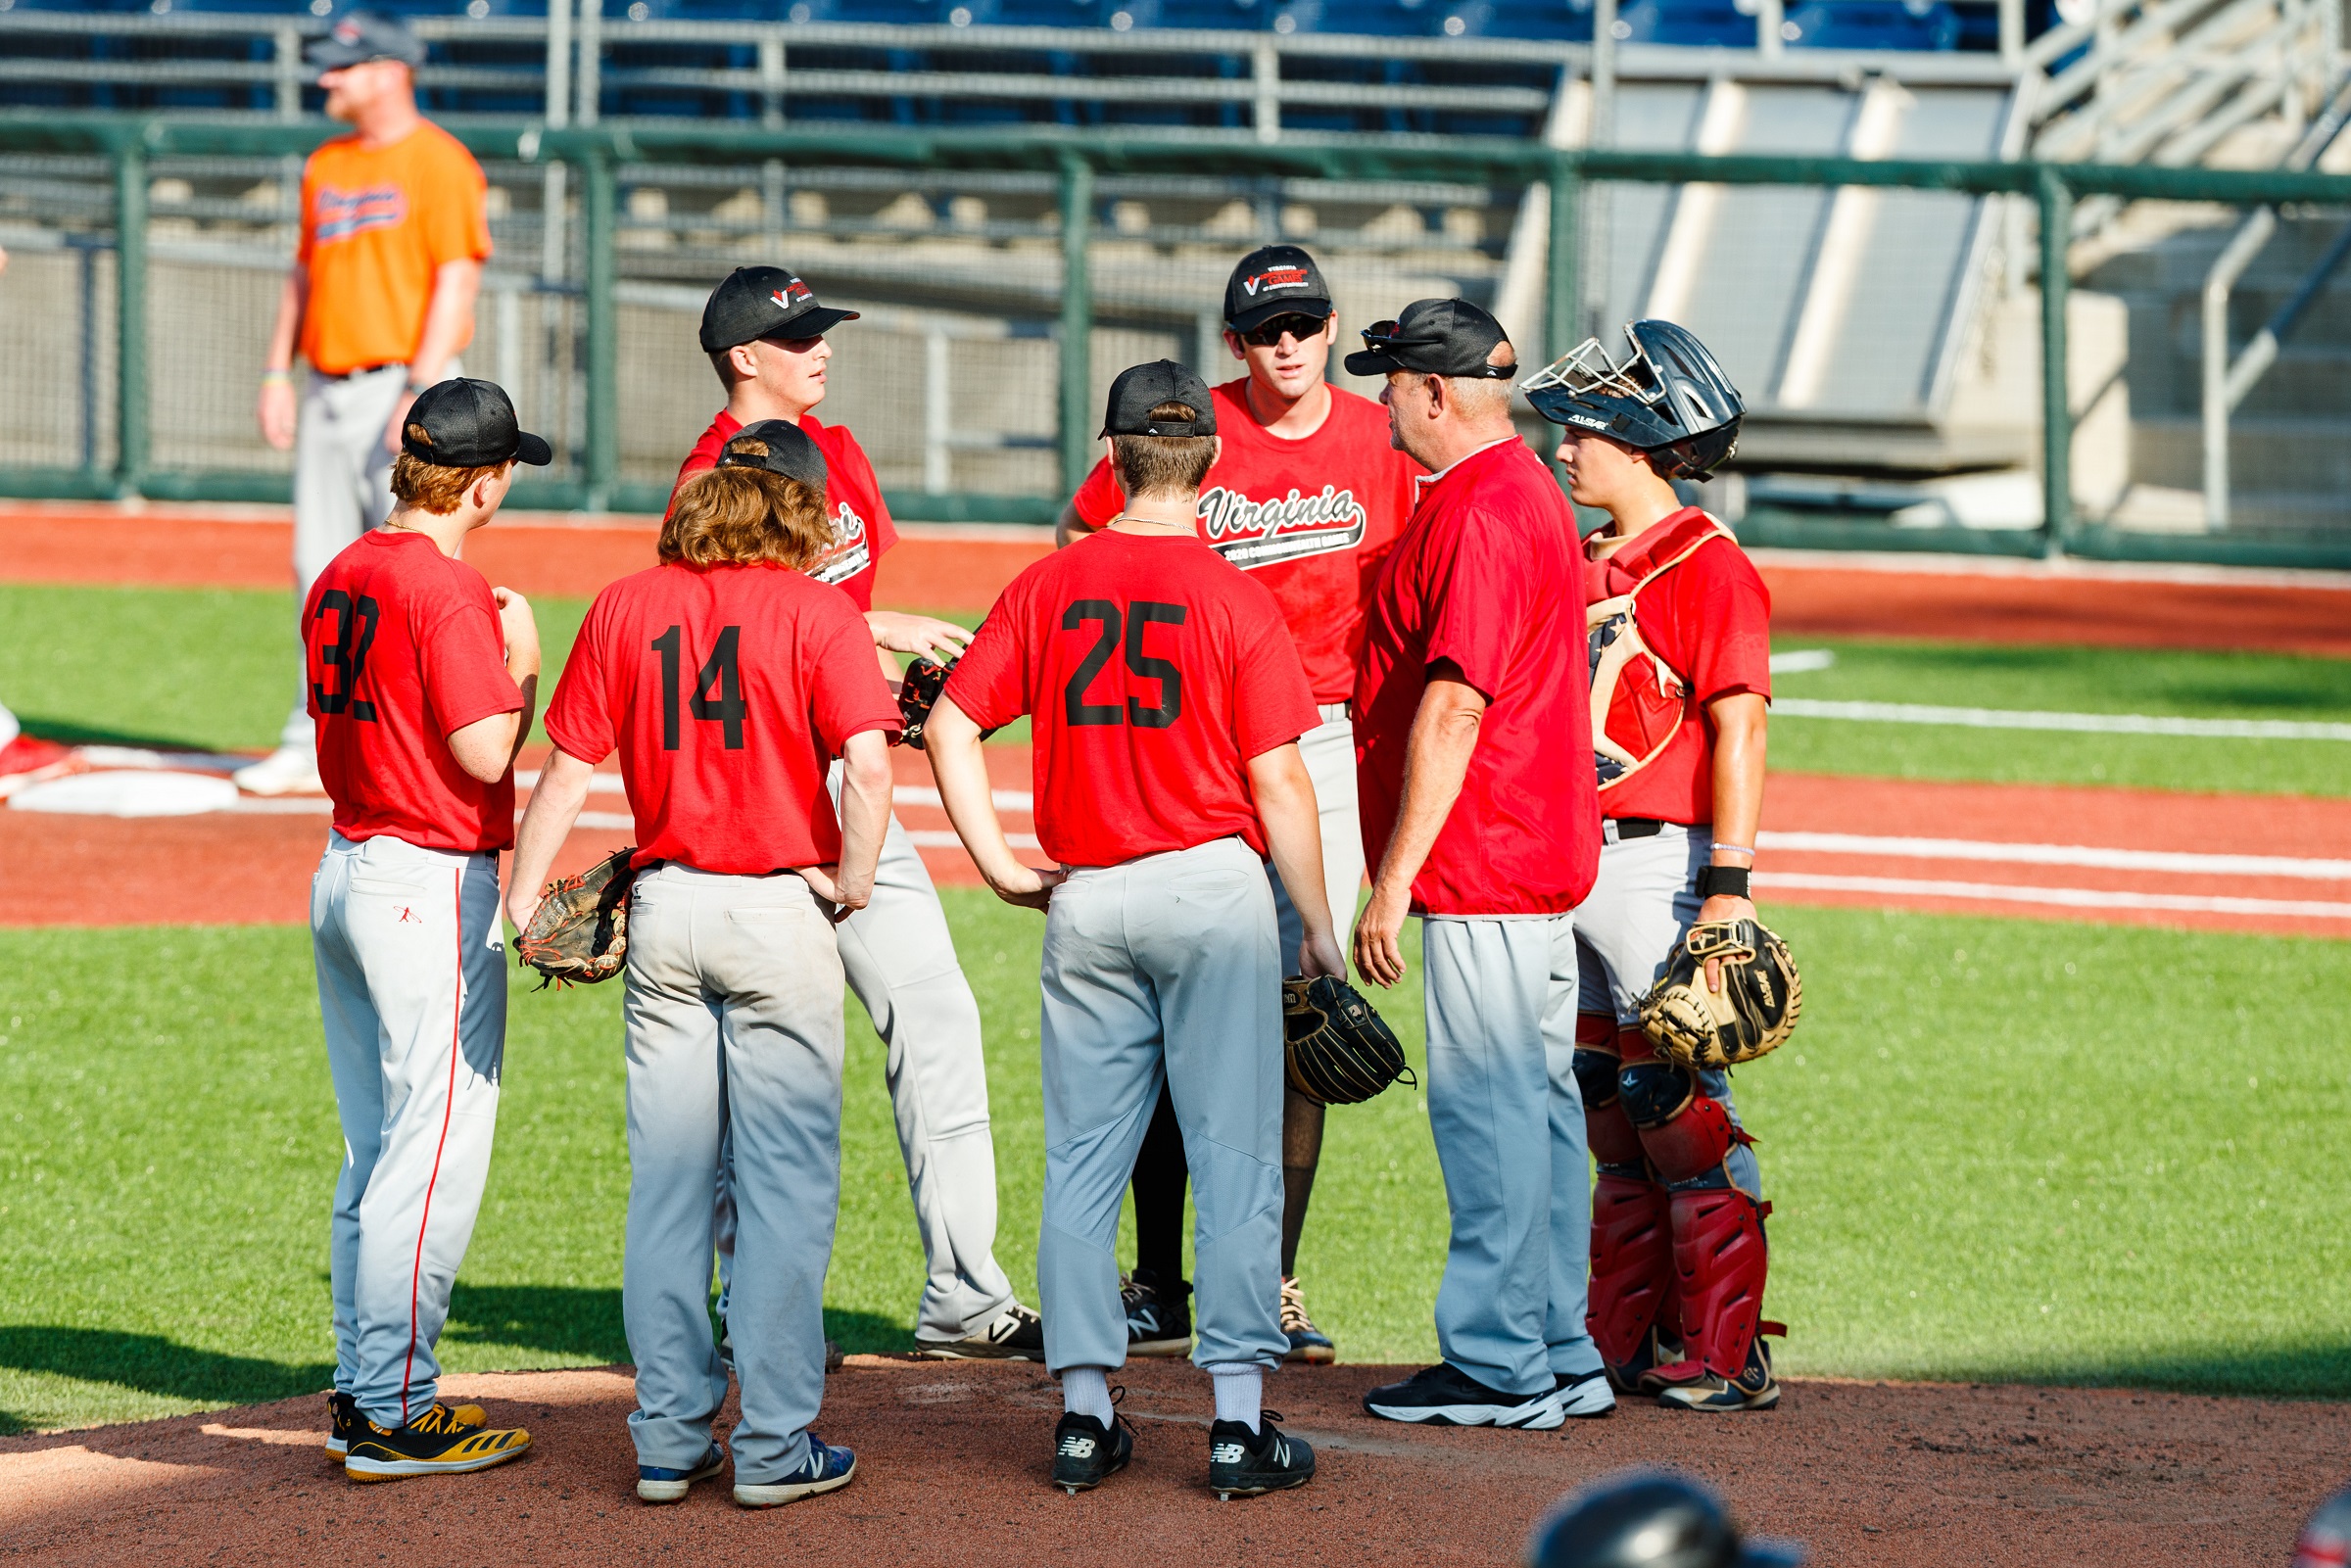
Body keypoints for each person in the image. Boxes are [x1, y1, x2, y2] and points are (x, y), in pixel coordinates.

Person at [927, 361, 1333, 1499]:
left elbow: (954, 725)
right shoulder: (1232, 592)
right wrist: (1317, 921)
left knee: (1083, 1163)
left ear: (1109, 456)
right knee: (1237, 1156)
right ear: (1212, 457)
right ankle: (1239, 1426)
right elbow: (1282, 781)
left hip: (1089, 893)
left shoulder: (1052, 580)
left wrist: (1002, 865)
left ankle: (1084, 1416)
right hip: (1210, 889)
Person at [507, 423, 895, 1509]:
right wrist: (852, 882)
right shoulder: (822, 611)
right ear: (802, 513)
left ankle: (671, 1436)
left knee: (670, 1188)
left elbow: (567, 769)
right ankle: (775, 1443)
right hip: (777, 911)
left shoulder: (629, 603)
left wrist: (527, 900)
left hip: (666, 914)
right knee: (783, 1192)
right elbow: (866, 767)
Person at [1055, 244, 1417, 1365]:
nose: (1291, 343)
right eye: (1268, 330)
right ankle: (1162, 1280)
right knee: (1177, 1017)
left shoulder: (1375, 439)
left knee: (1301, 1021)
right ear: (1235, 343)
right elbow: (1083, 536)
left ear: (1330, 325)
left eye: (1306, 322)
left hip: (1318, 734)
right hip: (1198, 734)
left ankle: (1270, 1276)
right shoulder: (1187, 429)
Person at [674, 265, 1042, 1360]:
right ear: (745, 357)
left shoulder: (839, 452)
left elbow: (836, 605)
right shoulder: (710, 478)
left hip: (852, 772)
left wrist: (886, 638)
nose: (821, 348)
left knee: (937, 1012)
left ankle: (967, 1295)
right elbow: (722, 636)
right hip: (762, 795)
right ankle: (748, 1299)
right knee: (767, 1056)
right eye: (799, 336)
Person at [1345, 300, 1614, 1430]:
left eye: (1393, 380)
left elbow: (1457, 701)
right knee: (1540, 1109)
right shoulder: (1512, 494)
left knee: (1490, 1110)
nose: (1382, 399)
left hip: (1486, 855)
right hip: (1528, 849)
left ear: (1437, 392)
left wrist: (1396, 874)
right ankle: (1560, 1342)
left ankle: (1503, 1362)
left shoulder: (1486, 510)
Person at [1521, 320, 1781, 1412]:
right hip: (1570, 853)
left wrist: (1728, 887)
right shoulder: (1582, 559)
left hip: (1658, 863)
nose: (1565, 446)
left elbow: (1742, 728)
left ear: (1638, 436)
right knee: (1604, 1094)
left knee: (1672, 1090)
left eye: (1583, 428)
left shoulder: (1709, 566)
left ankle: (1728, 1350)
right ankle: (1620, 1332)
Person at [309, 378, 546, 1480]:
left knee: (378, 1146)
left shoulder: (345, 567)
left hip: (346, 868)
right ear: (485, 482)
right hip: (422, 886)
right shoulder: (450, 589)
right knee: (433, 1150)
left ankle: (364, 1388)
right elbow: (489, 751)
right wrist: (525, 661)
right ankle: (398, 1408)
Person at [240, 11, 493, 798]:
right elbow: (304, 274)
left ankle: (431, 730)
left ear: (389, 70)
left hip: (404, 382)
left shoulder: (440, 161)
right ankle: (308, 730)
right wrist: (277, 369)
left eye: (341, 67)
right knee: (317, 569)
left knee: (418, 568)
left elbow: (457, 278)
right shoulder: (327, 164)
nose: (326, 79)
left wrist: (420, 384)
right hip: (329, 383)